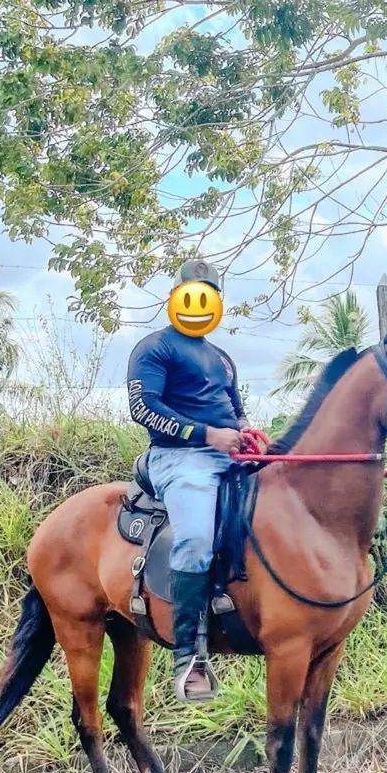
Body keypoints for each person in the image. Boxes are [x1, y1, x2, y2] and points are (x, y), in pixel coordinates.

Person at [126, 258, 247, 703]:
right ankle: (189, 656)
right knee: (195, 538)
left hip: (228, 457)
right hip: (179, 458)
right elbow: (144, 409)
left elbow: (235, 410)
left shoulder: (221, 358)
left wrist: (248, 432)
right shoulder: (154, 348)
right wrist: (207, 435)